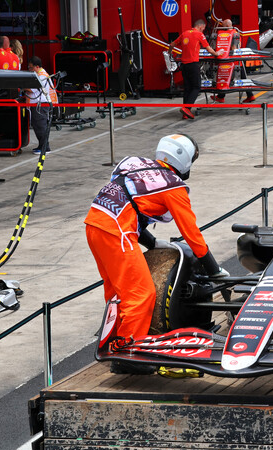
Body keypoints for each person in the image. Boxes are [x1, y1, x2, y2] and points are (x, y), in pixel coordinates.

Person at [84, 134, 229, 372]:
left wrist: (152, 243)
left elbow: (129, 200)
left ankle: (113, 341)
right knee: (141, 294)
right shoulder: (173, 185)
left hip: (94, 224)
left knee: (116, 292)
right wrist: (215, 271)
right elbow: (192, 235)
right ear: (184, 160)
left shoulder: (133, 164)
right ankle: (128, 356)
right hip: (117, 232)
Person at [169, 19, 222, 120]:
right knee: (196, 87)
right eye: (203, 29)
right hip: (193, 64)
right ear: (201, 27)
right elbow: (208, 48)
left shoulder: (185, 33)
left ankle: (185, 112)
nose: (203, 30)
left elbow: (172, 45)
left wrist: (170, 54)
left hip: (184, 65)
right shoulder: (199, 35)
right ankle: (187, 109)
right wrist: (217, 54)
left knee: (188, 88)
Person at [210, 19, 256, 104]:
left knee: (225, 77)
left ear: (227, 26)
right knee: (240, 77)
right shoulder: (236, 32)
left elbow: (234, 48)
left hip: (232, 60)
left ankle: (221, 96)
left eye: (223, 25)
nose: (222, 27)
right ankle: (249, 95)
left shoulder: (233, 34)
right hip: (236, 61)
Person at [23, 56, 57, 155]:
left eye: (31, 67)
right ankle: (42, 145)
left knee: (40, 126)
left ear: (37, 66)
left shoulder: (42, 76)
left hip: (41, 105)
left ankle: (45, 147)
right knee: (37, 125)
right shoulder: (39, 74)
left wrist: (21, 86)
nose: (29, 70)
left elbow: (31, 89)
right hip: (37, 104)